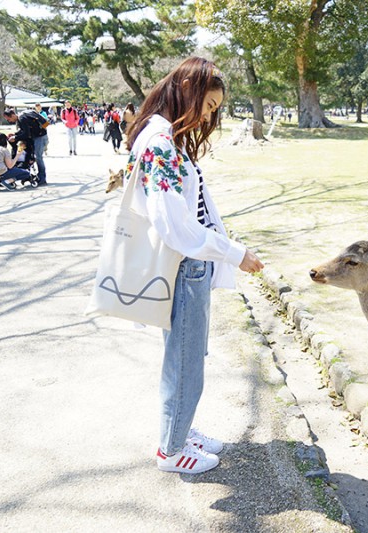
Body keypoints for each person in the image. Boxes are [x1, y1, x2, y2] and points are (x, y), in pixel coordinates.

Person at [123, 56, 263, 475]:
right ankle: (171, 450)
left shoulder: (161, 136)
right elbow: (177, 228)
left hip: (187, 267)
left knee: (183, 357)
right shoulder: (161, 143)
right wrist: (236, 253)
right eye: (207, 105)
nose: (208, 115)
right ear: (186, 86)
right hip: (185, 267)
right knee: (186, 362)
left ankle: (179, 431)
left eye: (213, 110)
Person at [3, 108, 48, 186]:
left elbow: (26, 134)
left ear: (13, 115)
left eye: (9, 119)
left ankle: (42, 178)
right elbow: (25, 130)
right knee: (36, 157)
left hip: (40, 137)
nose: (9, 121)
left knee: (38, 157)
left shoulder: (22, 119)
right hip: (39, 135)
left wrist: (15, 138)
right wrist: (15, 134)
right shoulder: (21, 118)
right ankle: (40, 176)